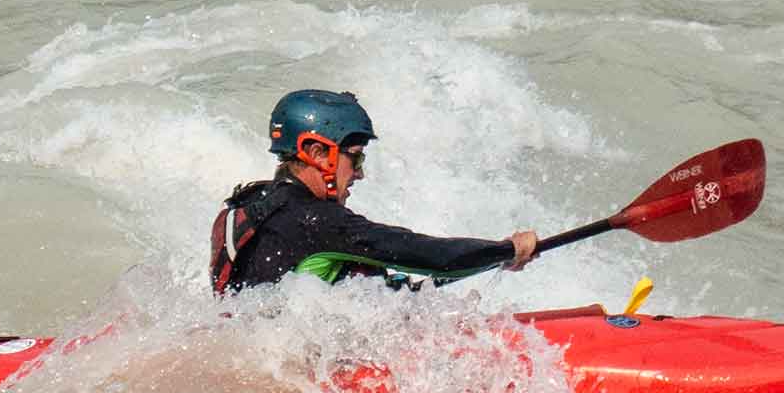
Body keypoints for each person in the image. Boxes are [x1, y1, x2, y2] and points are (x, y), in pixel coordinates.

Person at [210, 89, 538, 294]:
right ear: (318, 153)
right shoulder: (317, 221)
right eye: (355, 157)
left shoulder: (245, 207)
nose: (360, 173)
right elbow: (432, 256)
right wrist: (508, 250)